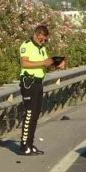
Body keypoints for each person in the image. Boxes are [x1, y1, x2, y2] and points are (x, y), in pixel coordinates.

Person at [18, 24, 65, 155]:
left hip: (39, 82)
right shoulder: (26, 45)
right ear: (37, 35)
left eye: (45, 40)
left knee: (35, 115)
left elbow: (45, 66)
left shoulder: (42, 48)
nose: (44, 42)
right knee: (29, 114)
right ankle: (23, 145)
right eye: (42, 39)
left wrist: (55, 65)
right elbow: (25, 63)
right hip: (29, 82)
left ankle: (30, 143)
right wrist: (43, 63)